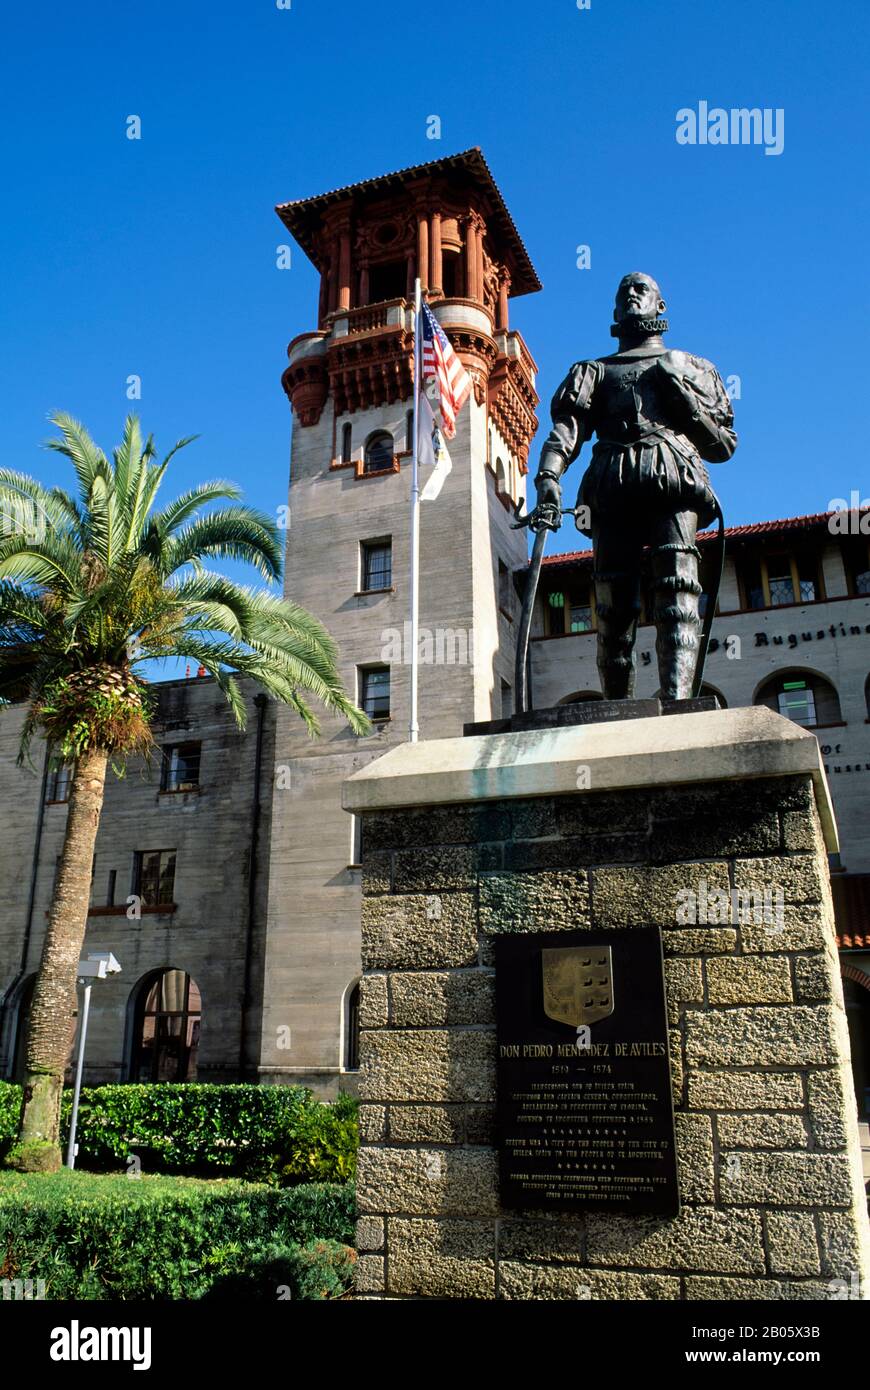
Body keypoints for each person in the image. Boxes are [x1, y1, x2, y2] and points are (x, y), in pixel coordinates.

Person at [530, 272, 736, 700]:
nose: (631, 294)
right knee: (612, 605)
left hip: (674, 483)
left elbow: (723, 446)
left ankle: (677, 700)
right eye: (623, 291)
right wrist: (548, 478)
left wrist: (684, 401)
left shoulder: (694, 367)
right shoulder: (594, 372)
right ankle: (617, 710)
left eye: (642, 289)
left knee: (678, 590)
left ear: (662, 306)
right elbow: (565, 433)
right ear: (614, 311)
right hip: (612, 488)